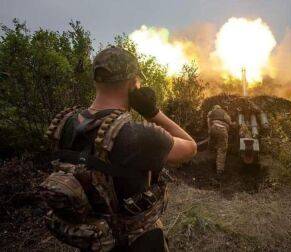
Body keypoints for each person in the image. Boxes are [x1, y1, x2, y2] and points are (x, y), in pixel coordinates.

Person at [42, 46, 197, 251]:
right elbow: (191, 147)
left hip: (95, 241)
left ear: (97, 80)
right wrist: (153, 113)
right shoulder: (137, 135)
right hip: (138, 242)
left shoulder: (65, 124)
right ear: (133, 83)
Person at [207, 105, 232, 174]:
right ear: (220, 108)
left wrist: (209, 130)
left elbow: (208, 120)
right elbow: (229, 121)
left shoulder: (211, 112)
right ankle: (219, 170)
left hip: (213, 128)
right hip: (222, 129)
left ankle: (210, 157)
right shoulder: (224, 112)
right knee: (222, 149)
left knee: (212, 143)